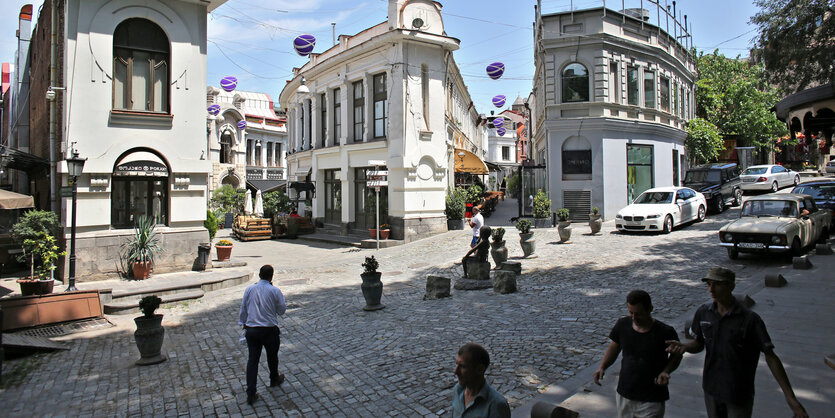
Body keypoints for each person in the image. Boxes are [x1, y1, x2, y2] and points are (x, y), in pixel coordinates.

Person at [666, 267, 808, 418]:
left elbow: (771, 357)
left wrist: (790, 397)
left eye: (717, 284)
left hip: (739, 391)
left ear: (731, 286)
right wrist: (685, 346)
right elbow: (699, 344)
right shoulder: (703, 312)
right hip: (711, 388)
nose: (711, 290)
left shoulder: (750, 320)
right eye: (709, 284)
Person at [593, 290, 682, 417]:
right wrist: (602, 366)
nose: (634, 318)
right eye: (631, 313)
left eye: (638, 314)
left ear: (650, 309)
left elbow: (677, 355)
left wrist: (666, 371)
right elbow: (614, 347)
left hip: (652, 396)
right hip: (625, 393)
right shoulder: (622, 325)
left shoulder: (665, 332)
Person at [239, 265, 287, 405]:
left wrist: (243, 324)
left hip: (252, 330)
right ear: (271, 276)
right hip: (269, 329)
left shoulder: (249, 289)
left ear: (259, 275)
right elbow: (281, 310)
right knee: (272, 356)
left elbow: (244, 308)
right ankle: (274, 378)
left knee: (252, 360)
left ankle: (251, 392)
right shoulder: (274, 291)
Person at [452, 343, 511, 418]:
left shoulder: (496, 405)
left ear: (480, 369)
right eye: (457, 364)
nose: (456, 371)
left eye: (463, 366)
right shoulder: (457, 391)